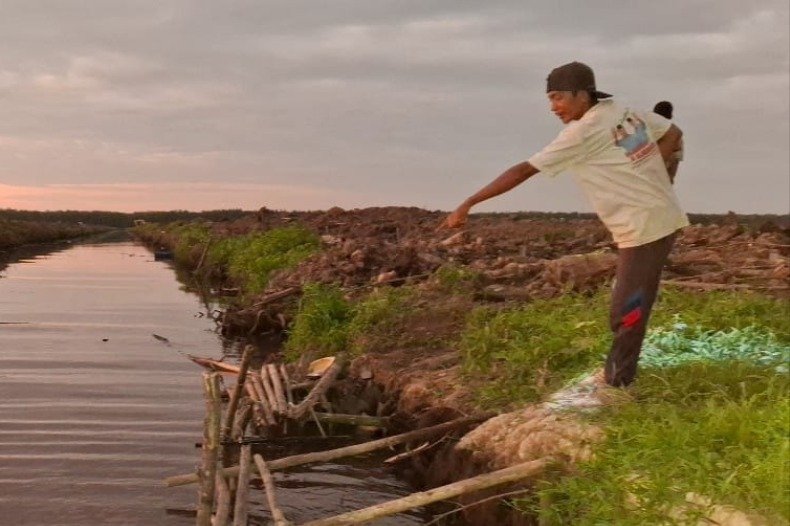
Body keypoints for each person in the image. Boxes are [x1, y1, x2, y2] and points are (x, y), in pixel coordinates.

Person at [439, 61, 688, 388]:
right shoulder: (619, 109)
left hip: (645, 226)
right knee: (631, 303)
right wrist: (652, 170)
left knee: (627, 310)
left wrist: (468, 203)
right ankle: (619, 376)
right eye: (550, 99)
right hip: (652, 217)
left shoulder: (582, 133)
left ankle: (618, 385)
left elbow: (523, 170)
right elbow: (673, 133)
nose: (553, 107)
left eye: (558, 98)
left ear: (583, 95)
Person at [653, 100, 683, 183]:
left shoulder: (648, 129)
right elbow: (676, 159)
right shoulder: (675, 133)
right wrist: (670, 178)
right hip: (661, 177)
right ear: (670, 114)